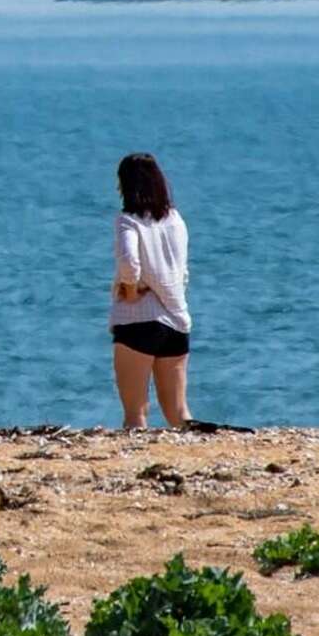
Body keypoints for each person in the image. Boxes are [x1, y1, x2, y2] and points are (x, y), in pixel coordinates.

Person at [110, 152, 192, 429]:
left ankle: (133, 466)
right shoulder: (175, 220)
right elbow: (182, 271)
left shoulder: (128, 221)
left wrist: (131, 291)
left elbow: (129, 262)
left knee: (136, 413)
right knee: (179, 414)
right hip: (176, 321)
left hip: (138, 321)